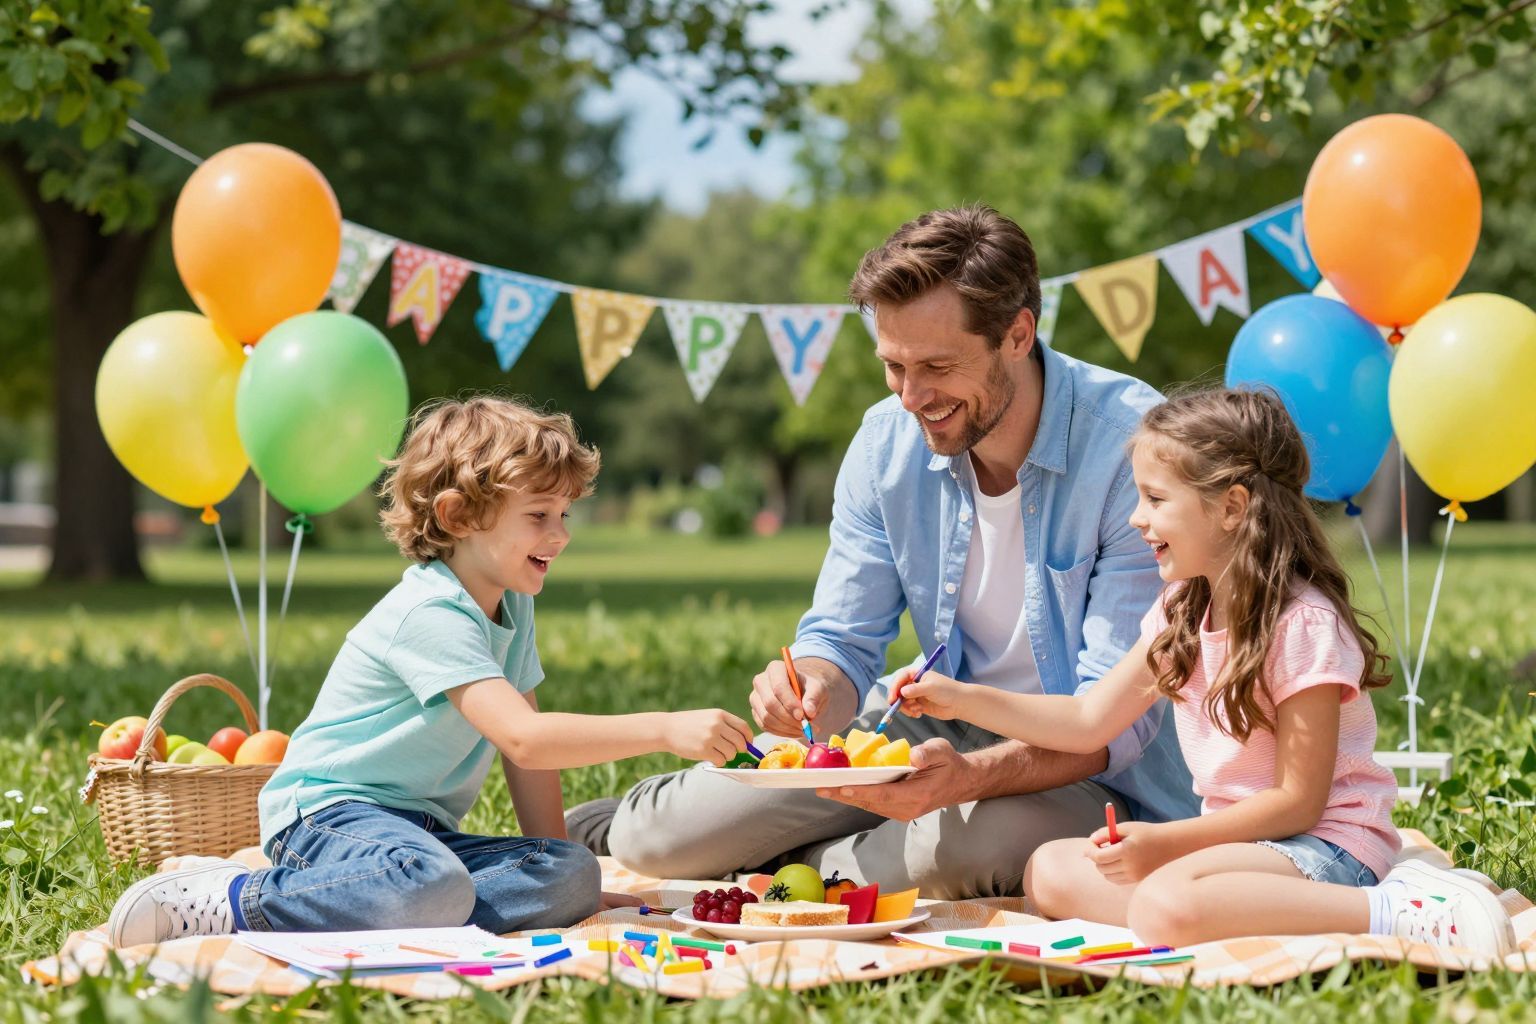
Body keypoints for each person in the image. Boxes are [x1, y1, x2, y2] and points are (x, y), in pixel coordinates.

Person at [569, 206, 1198, 898]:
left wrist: (970, 780)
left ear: (1018, 334)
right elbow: (842, 637)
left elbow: (1115, 724)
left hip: (1087, 769)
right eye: (894, 366)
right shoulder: (883, 443)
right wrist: (810, 686)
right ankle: (687, 831)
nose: (911, 397)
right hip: (930, 726)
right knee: (656, 841)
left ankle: (790, 864)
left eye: (936, 366)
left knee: (957, 855)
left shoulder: (1133, 451)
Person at [108, 396, 752, 946]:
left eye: (564, 515)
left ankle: (386, 908)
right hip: (328, 818)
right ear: (456, 517)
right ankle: (240, 899)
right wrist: (665, 727)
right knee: (431, 885)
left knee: (573, 873)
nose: (559, 535)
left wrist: (562, 875)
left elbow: (529, 763)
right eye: (538, 516)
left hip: (416, 840)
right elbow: (524, 738)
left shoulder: (513, 601)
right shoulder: (430, 611)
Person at [899, 388, 1516, 955]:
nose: (1138, 519)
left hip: (1325, 850)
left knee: (1168, 903)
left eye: (1157, 499)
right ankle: (1205, 914)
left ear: (1232, 508)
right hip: (1234, 847)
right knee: (1050, 870)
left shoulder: (1301, 624)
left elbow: (1298, 804)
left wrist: (1167, 846)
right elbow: (1089, 720)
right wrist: (959, 698)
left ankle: (1394, 912)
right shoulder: (1181, 612)